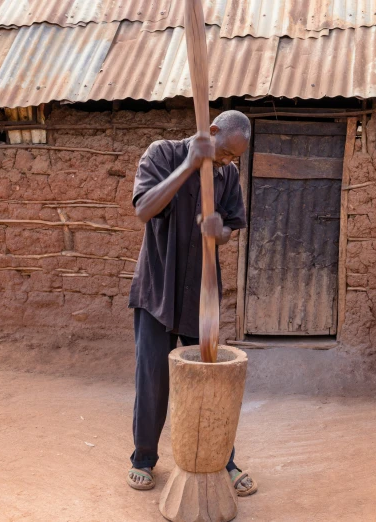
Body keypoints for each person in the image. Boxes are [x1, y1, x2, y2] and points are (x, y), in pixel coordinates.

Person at [126, 110, 258, 495]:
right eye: (225, 153)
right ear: (212, 131)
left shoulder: (227, 176)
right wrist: (189, 164)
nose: (228, 162)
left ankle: (223, 459)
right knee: (153, 378)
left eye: (234, 158)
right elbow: (143, 209)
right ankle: (144, 459)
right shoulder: (162, 154)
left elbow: (233, 224)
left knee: (210, 377)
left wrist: (222, 233)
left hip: (202, 292)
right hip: (157, 290)